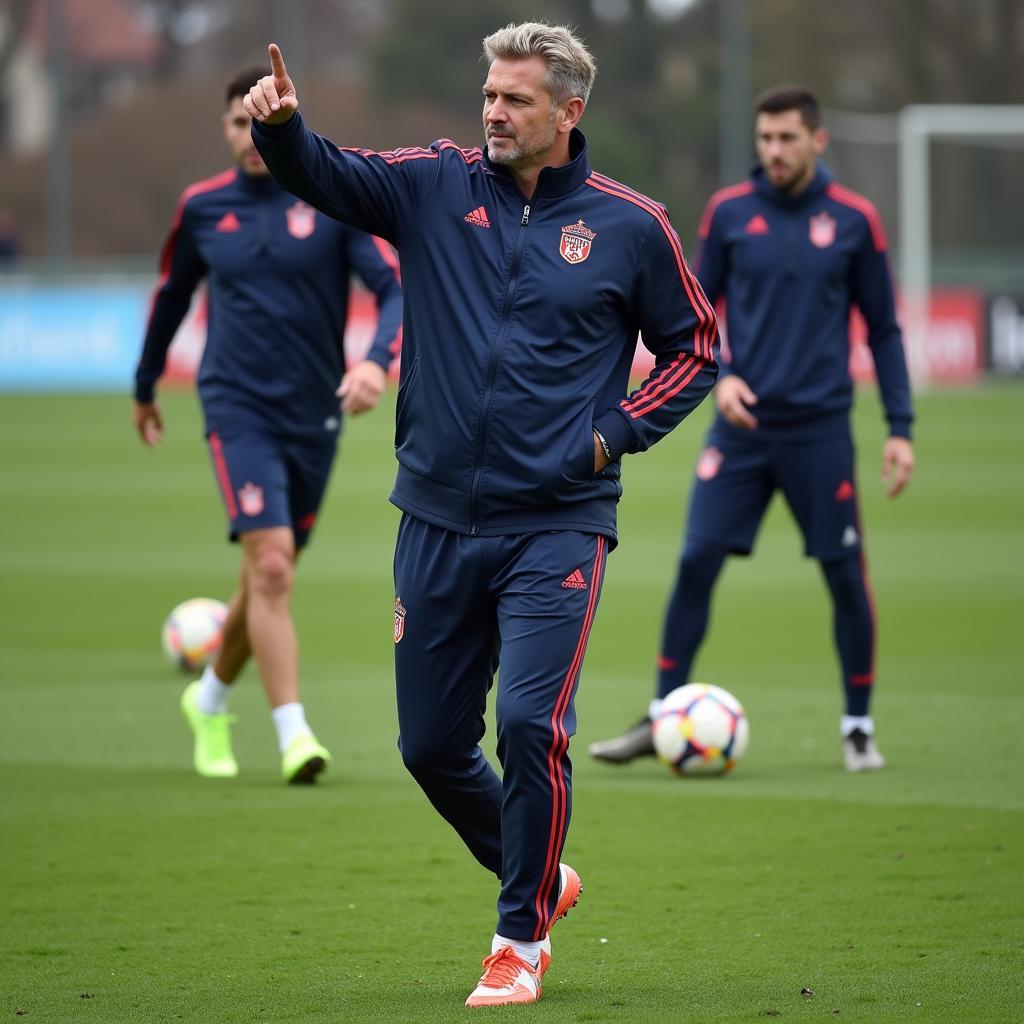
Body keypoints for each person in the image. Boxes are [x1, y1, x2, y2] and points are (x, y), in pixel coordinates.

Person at [244, 23, 717, 1006]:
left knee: (530, 724)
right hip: (433, 518)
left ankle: (519, 941)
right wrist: (286, 134)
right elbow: (328, 174)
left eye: (516, 99)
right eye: (490, 94)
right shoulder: (432, 183)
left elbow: (692, 351)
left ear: (567, 111)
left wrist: (613, 435)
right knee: (427, 747)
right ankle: (542, 874)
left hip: (559, 521)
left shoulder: (632, 225)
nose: (494, 111)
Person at [589, 84, 915, 774]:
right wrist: (726, 372)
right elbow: (695, 316)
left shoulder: (854, 220)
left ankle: (858, 726)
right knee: (695, 564)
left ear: (817, 141)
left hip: (821, 430)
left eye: (787, 138)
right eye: (765, 139)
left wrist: (899, 426)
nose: (774, 151)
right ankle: (661, 715)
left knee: (844, 575)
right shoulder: (730, 213)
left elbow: (884, 329)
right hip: (740, 431)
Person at [134, 66, 403, 785]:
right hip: (235, 408)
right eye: (234, 122)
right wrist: (145, 383)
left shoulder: (329, 201)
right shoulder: (202, 208)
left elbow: (391, 287)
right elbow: (170, 298)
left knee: (263, 579)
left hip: (315, 413)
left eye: (260, 119)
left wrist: (377, 359)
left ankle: (210, 697)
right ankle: (294, 734)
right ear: (224, 130)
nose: (248, 134)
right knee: (275, 566)